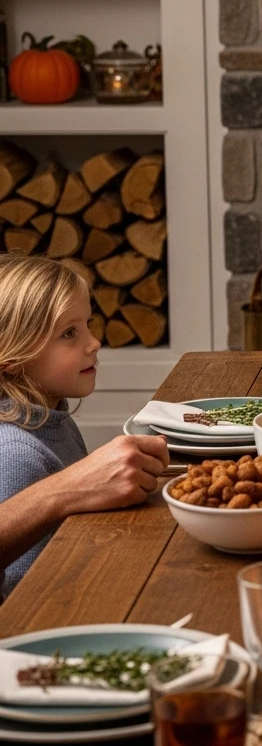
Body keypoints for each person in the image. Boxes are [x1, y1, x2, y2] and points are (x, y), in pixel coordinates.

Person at [0, 254, 169, 598]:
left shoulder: (52, 420)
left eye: (87, 325)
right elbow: (25, 591)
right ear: (14, 360)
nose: (94, 343)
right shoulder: (17, 453)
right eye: (69, 333)